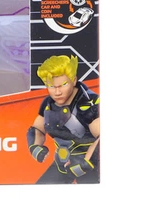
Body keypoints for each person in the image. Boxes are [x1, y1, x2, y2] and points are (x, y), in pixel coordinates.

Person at [27, 55, 99, 183]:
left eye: (63, 85)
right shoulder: (48, 103)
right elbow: (37, 128)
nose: (57, 92)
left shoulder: (89, 104)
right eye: (51, 86)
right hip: (61, 163)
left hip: (90, 167)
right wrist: (35, 147)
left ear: (74, 80)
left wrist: (86, 162)